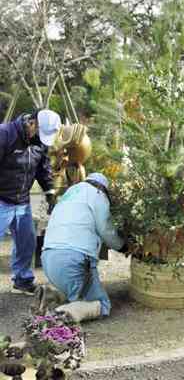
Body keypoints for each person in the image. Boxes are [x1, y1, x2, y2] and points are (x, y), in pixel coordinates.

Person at [40, 173, 127, 322]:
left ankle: (52, 295)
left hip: (48, 259)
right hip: (73, 261)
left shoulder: (70, 193)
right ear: (104, 188)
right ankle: (63, 313)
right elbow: (106, 230)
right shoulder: (98, 194)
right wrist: (123, 246)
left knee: (75, 288)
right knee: (103, 304)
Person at [0, 109, 61, 295]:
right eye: (40, 133)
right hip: (1, 200)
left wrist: (50, 192)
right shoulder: (5, 134)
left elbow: (43, 169)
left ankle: (22, 281)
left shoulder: (40, 142)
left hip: (22, 201)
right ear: (32, 122)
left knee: (27, 243)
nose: (42, 139)